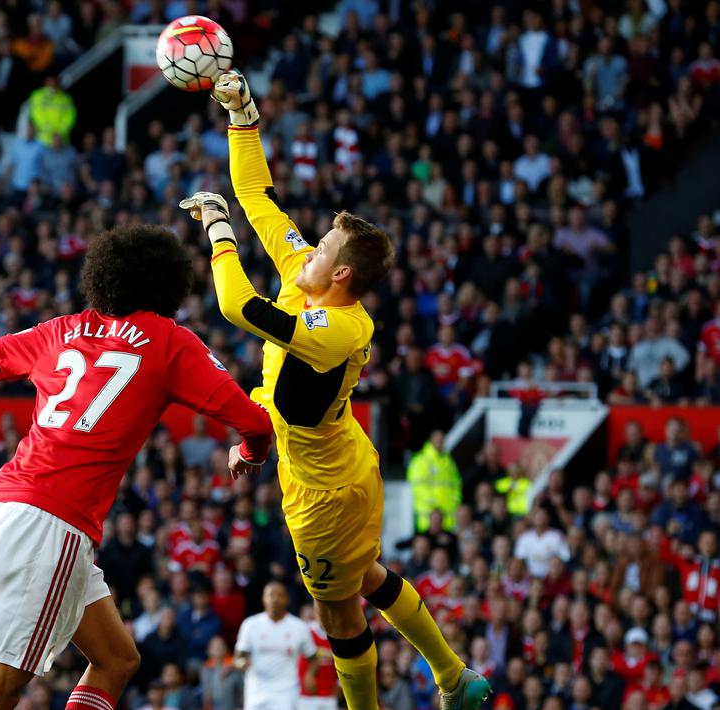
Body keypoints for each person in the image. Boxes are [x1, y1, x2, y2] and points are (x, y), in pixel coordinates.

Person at [182, 69, 490, 709]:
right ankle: (454, 678)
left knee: (340, 616)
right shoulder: (310, 276)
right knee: (369, 577)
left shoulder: (339, 328)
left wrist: (216, 230)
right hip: (337, 452)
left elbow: (238, 305)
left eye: (321, 245)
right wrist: (243, 114)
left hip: (321, 490)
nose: (308, 247)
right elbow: (258, 195)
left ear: (342, 271)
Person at [0, 225, 274, 710]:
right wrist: (250, 455)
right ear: (171, 283)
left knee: (116, 659)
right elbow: (255, 423)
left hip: (10, 508)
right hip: (53, 524)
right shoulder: (171, 342)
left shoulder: (60, 329)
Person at [234, 582, 315, 710]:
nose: (275, 599)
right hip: (257, 689)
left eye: (280, 595)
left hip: (287, 691)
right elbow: (238, 657)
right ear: (263, 598)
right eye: (271, 595)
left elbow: (313, 657)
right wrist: (241, 663)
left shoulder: (299, 627)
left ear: (287, 599)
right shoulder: (250, 625)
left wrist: (309, 674)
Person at [407, 431, 462, 533]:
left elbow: (456, 484)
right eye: (437, 440)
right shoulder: (421, 460)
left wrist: (455, 500)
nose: (440, 443)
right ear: (430, 441)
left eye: (442, 440)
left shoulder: (449, 462)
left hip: (448, 520)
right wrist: (434, 505)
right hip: (427, 519)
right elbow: (418, 487)